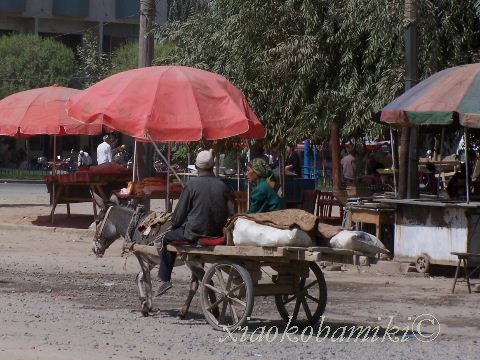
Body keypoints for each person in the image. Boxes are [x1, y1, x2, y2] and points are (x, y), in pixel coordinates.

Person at [156, 149, 232, 296]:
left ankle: (165, 278)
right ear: (212, 166)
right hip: (217, 234)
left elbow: (178, 216)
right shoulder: (223, 186)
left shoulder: (191, 185)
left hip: (195, 234)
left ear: (197, 168)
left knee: (166, 237)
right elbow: (229, 211)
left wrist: (174, 226)